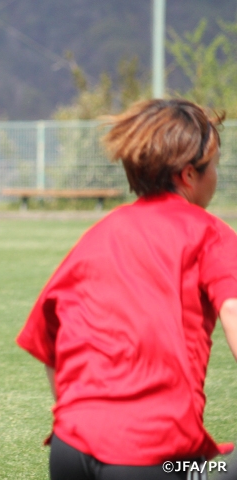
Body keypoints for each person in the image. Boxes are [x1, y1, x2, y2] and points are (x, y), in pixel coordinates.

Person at [16, 98, 237, 480]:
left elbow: (49, 342)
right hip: (153, 452)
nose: (216, 175)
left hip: (71, 447)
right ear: (188, 174)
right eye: (214, 166)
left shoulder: (100, 234)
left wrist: (86, 424)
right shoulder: (209, 233)